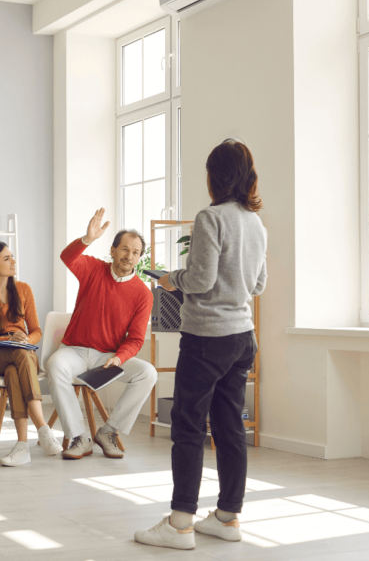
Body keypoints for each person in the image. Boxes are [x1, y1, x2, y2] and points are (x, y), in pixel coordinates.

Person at [136, 139, 267, 550]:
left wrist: (170, 278)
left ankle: (179, 524)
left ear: (216, 176)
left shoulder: (211, 218)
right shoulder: (255, 223)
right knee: (229, 428)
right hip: (243, 337)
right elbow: (259, 284)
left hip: (208, 338)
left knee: (188, 426)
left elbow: (200, 281)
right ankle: (227, 518)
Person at [46, 210, 157, 461]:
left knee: (148, 373)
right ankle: (79, 437)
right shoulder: (93, 269)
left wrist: (119, 358)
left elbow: (136, 339)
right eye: (125, 249)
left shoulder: (143, 294)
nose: (129, 256)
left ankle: (108, 431)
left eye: (136, 252)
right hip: (74, 350)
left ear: (139, 257)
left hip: (108, 357)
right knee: (55, 365)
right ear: (113, 250)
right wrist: (87, 239)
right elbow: (67, 257)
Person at [0, 240, 59, 466]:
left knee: (13, 371)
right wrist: (9, 339)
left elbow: (37, 330)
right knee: (19, 356)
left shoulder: (23, 289)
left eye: (12, 256)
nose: (13, 261)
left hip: (22, 354)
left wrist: (26, 340)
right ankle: (42, 427)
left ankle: (22, 445)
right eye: (7, 258)